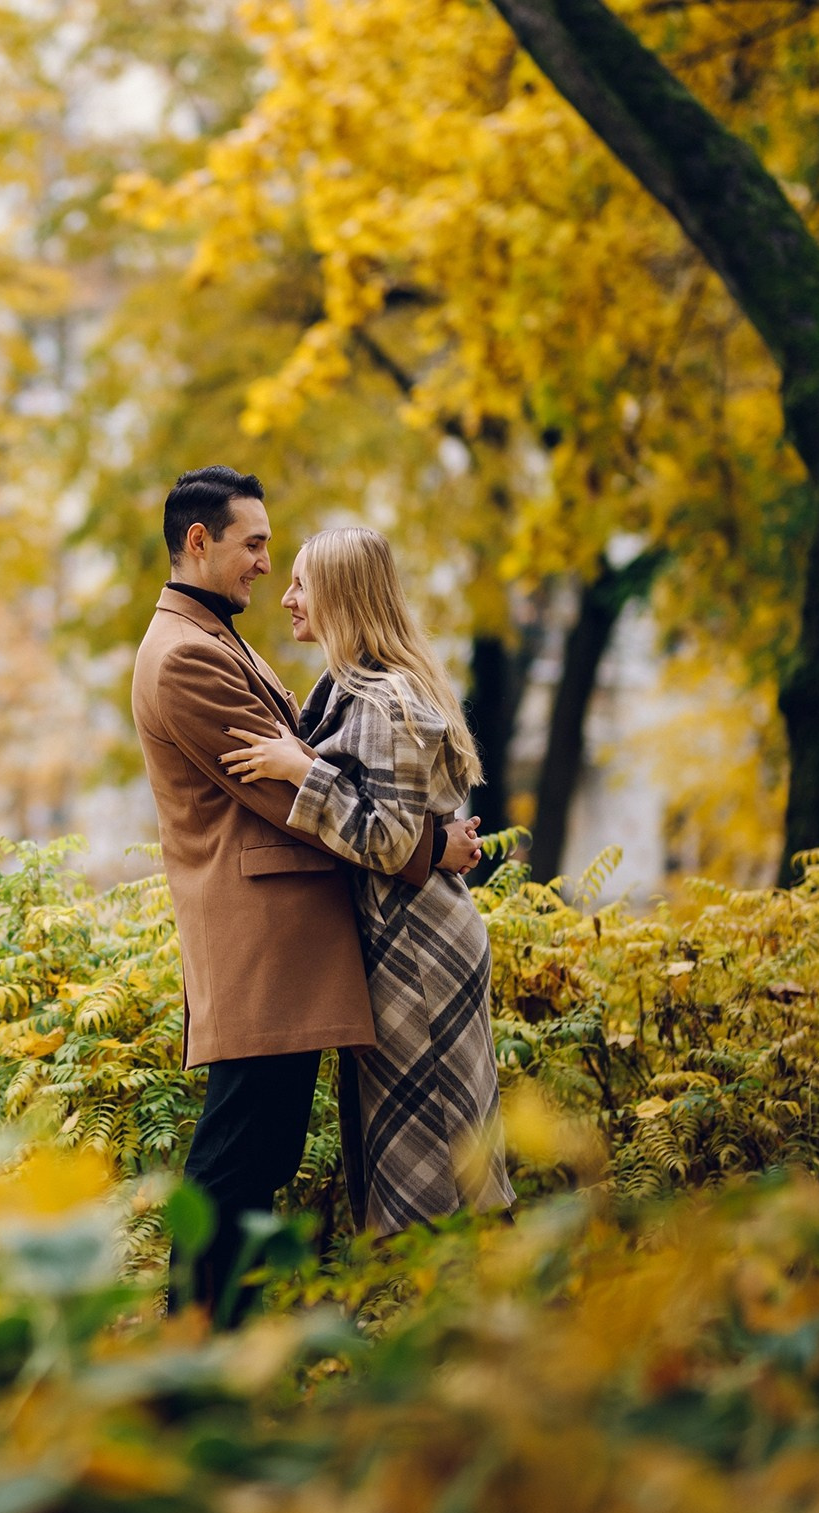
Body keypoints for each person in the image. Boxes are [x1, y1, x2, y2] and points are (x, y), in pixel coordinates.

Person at [131, 469, 480, 1325]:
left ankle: (228, 1350)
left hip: (286, 943)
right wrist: (434, 847)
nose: (265, 565)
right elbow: (286, 793)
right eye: (254, 545)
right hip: (262, 945)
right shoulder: (185, 656)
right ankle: (200, 1356)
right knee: (237, 1156)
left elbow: (319, 766)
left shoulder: (216, 637)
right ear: (199, 542)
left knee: (260, 1154)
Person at [221, 526, 514, 1235]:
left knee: (439, 1151)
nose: (286, 598)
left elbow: (385, 839)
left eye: (301, 584)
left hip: (418, 948)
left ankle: (466, 1318)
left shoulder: (384, 701)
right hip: (404, 938)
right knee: (426, 1143)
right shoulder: (347, 690)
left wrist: (302, 772)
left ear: (342, 596)